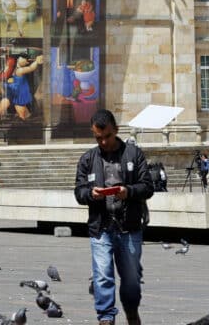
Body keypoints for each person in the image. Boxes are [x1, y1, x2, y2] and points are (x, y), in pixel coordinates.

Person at [74, 109, 153, 325]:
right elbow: (79, 192)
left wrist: (128, 191)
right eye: (98, 138)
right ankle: (106, 318)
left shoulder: (133, 154)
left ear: (116, 130)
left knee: (131, 279)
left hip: (129, 226)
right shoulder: (88, 159)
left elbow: (147, 186)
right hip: (100, 227)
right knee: (102, 276)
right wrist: (91, 194)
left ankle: (131, 311)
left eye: (107, 136)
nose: (103, 142)